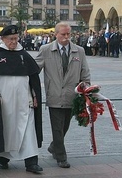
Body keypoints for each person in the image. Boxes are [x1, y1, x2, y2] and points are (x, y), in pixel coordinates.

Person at [0, 25, 43, 174]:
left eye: (15, 39)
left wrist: (35, 95)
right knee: (4, 129)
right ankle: (3, 158)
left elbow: (34, 78)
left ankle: (31, 162)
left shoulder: (23, 55)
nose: (13, 42)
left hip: (24, 102)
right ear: (3, 39)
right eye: (10, 39)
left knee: (28, 130)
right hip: (4, 103)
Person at [35, 22, 91, 168]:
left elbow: (84, 71)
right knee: (57, 127)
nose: (66, 37)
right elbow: (35, 68)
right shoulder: (46, 50)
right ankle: (61, 157)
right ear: (56, 34)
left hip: (72, 95)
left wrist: (86, 86)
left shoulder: (79, 51)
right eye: (63, 34)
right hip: (54, 94)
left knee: (65, 126)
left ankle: (54, 146)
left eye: (68, 34)